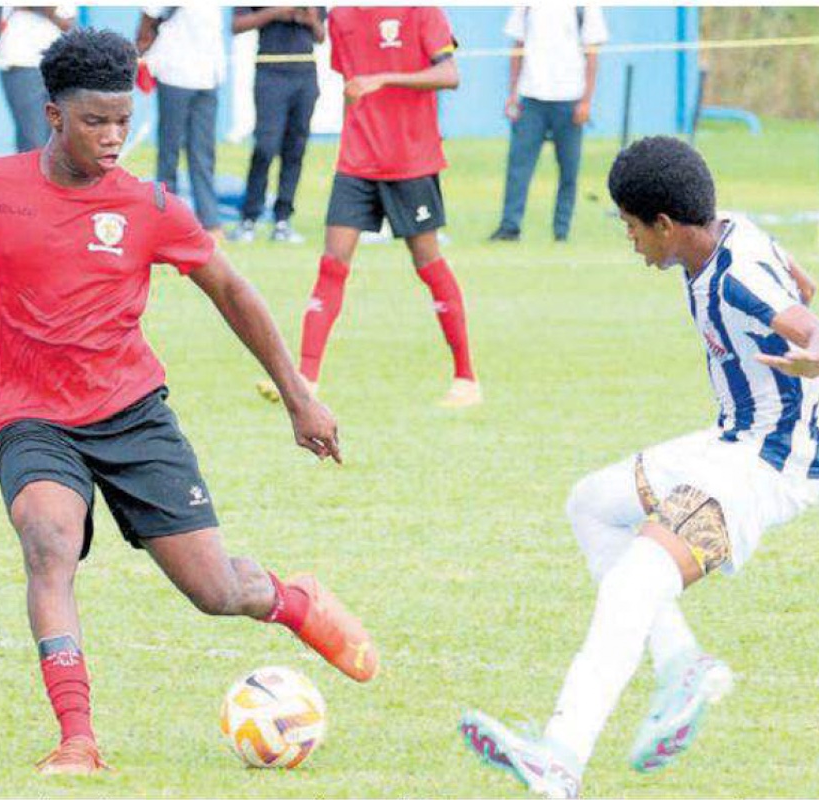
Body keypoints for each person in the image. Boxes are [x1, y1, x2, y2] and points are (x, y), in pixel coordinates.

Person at [0, 27, 378, 775]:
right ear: (52, 116)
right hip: (32, 417)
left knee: (217, 591)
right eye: (95, 121)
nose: (114, 137)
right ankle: (77, 737)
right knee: (47, 540)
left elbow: (232, 290)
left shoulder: (150, 204)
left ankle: (290, 599)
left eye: (122, 120)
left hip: (134, 413)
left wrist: (300, 397)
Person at [460, 136, 819, 798]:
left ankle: (559, 759)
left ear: (665, 223)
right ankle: (682, 664)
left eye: (630, 227)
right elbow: (797, 293)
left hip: (764, 466)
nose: (630, 243)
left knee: (635, 581)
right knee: (592, 503)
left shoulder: (733, 277)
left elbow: (800, 321)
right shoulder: (724, 231)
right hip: (729, 439)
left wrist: (814, 350)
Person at [257, 7, 480, 409]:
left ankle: (466, 379)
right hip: (357, 161)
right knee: (332, 262)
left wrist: (383, 78)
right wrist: (349, 149)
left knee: (427, 262)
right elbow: (350, 88)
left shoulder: (420, 11)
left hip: (412, 159)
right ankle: (307, 379)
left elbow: (450, 75)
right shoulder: (341, 17)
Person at [488, 6, 608, 243]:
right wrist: (512, 95)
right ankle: (510, 227)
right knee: (518, 168)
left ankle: (561, 231)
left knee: (568, 171)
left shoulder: (585, 6)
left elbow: (592, 54)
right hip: (531, 99)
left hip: (570, 99)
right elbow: (517, 47)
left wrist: (586, 101)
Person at [230, 7, 325, 245]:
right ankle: (249, 218)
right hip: (270, 70)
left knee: (295, 150)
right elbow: (237, 25)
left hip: (305, 71)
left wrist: (308, 17)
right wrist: (276, 12)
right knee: (265, 146)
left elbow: (321, 36)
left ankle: (283, 220)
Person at [136, 6, 225, 236]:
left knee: (203, 153)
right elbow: (149, 13)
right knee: (169, 151)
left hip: (208, 75)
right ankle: (166, 217)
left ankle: (210, 220)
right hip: (175, 71)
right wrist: (142, 50)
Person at [0, 6, 76, 153]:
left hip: (56, 63)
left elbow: (67, 22)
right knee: (33, 141)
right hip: (23, 61)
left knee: (55, 139)